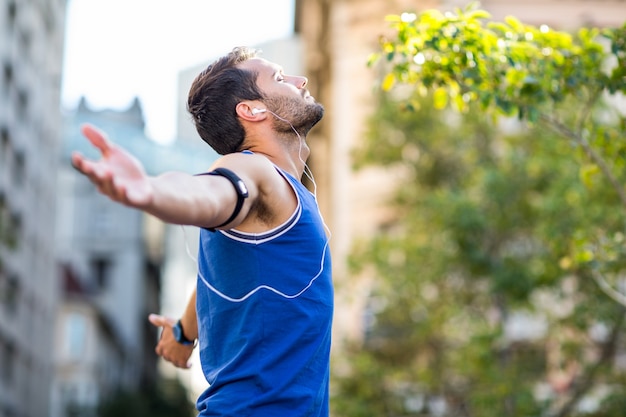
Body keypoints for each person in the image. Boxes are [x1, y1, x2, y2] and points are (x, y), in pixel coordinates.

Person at [72, 46, 334, 416]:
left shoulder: (288, 194)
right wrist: (152, 191)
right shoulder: (254, 170)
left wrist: (183, 330)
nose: (299, 80)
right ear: (252, 109)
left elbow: (223, 272)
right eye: (278, 77)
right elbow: (211, 191)